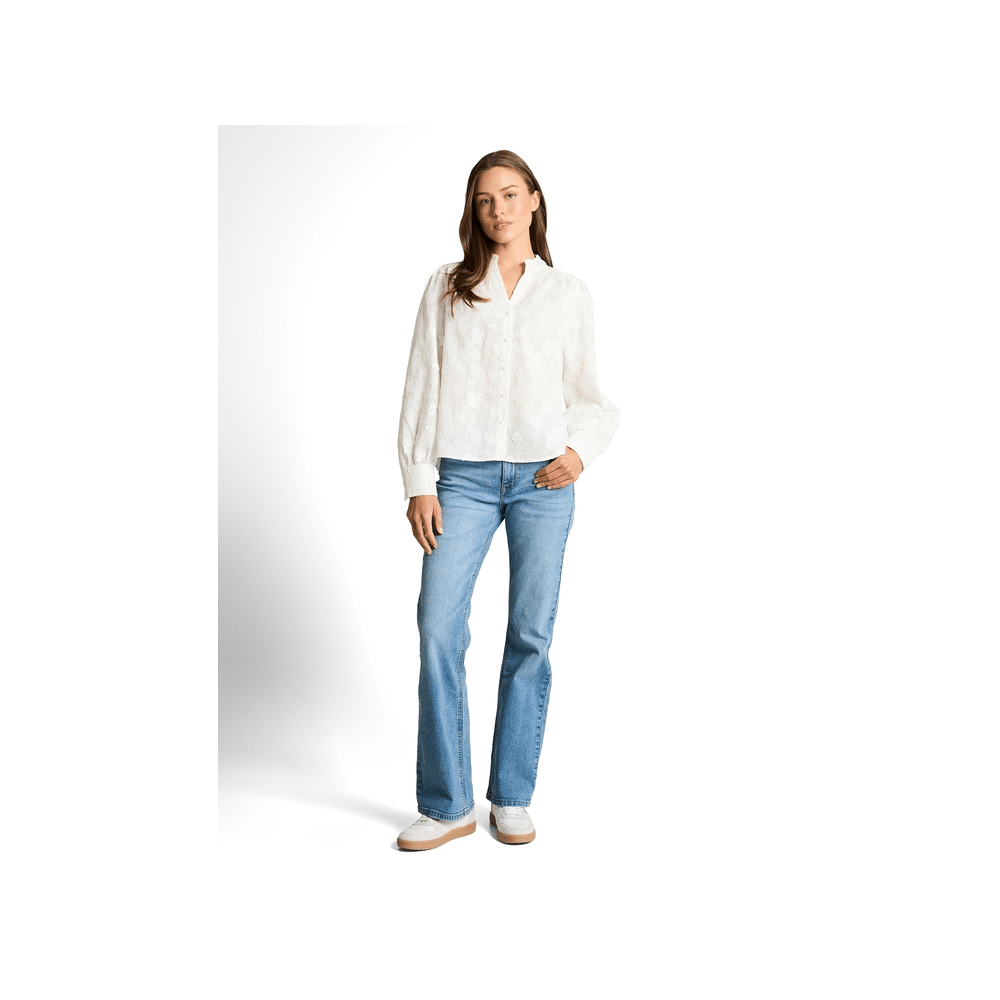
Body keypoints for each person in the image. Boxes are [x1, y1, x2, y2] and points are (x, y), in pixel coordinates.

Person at [396, 150, 619, 851]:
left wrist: (578, 452)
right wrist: (419, 479)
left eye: (510, 194)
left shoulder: (568, 293)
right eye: (485, 199)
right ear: (474, 208)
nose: (498, 209)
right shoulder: (447, 287)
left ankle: (512, 796)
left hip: (541, 482)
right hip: (461, 478)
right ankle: (448, 803)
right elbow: (422, 383)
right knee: (438, 627)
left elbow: (590, 398)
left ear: (534, 199)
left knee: (530, 635)